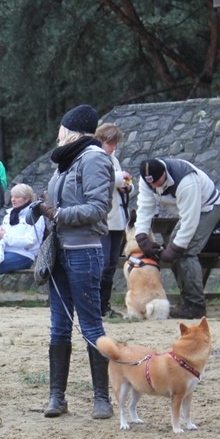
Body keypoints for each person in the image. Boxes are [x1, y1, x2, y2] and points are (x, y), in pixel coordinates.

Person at [35, 104, 115, 420]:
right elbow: (60, 203)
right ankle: (57, 397)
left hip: (84, 251)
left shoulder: (94, 158)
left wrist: (58, 214)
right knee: (59, 326)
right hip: (61, 251)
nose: (58, 135)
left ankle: (102, 398)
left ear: (72, 131)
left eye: (62, 129)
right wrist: (41, 207)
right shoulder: (66, 163)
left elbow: (98, 207)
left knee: (91, 325)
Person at [133, 157, 220, 319]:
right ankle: (187, 301)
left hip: (206, 208)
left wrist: (175, 249)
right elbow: (145, 208)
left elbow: (190, 222)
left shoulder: (187, 181)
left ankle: (196, 306)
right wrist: (142, 238)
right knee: (175, 252)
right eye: (150, 184)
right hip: (188, 212)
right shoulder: (147, 180)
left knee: (186, 251)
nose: (154, 187)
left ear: (164, 174)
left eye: (157, 182)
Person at [0, 183, 46, 307]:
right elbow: (3, 235)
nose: (13, 200)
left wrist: (5, 237)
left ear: (27, 199)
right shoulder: (9, 214)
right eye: (12, 196)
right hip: (2, 250)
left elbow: (30, 241)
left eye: (17, 197)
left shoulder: (35, 216)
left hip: (23, 255)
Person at [95, 123, 133, 318]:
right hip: (103, 219)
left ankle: (104, 305)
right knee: (101, 265)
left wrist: (126, 186)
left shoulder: (113, 159)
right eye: (112, 143)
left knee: (110, 264)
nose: (114, 147)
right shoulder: (94, 157)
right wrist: (120, 179)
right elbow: (103, 179)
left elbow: (123, 182)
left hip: (117, 218)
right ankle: (95, 306)